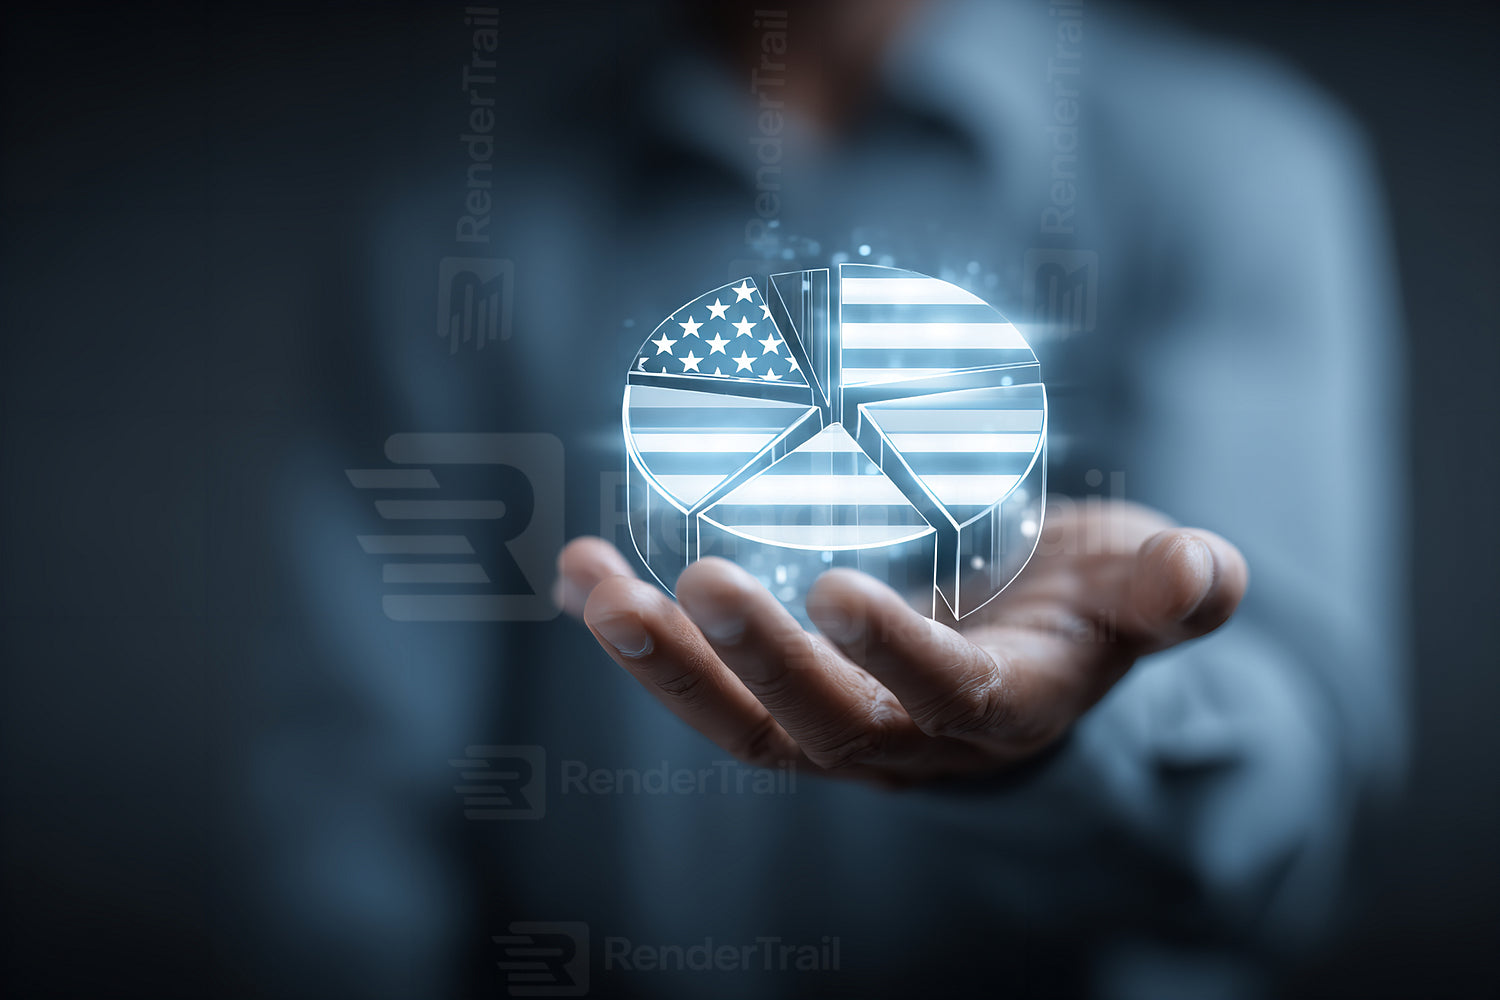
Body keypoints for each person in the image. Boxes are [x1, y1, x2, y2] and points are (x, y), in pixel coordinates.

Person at [245, 1, 1406, 996]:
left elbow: (1284, 796)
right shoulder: (456, 217)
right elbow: (357, 785)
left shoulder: (1229, 162)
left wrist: (1072, 743)